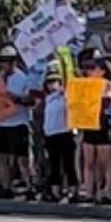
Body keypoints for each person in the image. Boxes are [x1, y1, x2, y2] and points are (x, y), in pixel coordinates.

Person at [79, 56, 111, 204]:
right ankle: (90, 193)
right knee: (89, 161)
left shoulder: (110, 85)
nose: (91, 71)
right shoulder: (85, 85)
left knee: (108, 161)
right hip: (89, 125)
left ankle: (110, 193)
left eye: (94, 68)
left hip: (105, 125)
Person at [0, 46, 38, 197]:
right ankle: (5, 186)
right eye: (3, 61)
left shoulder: (23, 78)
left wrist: (16, 99)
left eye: (9, 61)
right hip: (1, 123)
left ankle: (29, 185)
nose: (6, 64)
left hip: (18, 122)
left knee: (22, 158)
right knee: (2, 157)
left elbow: (31, 100)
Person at [40, 69, 78, 201]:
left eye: (55, 81)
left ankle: (73, 190)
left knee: (69, 164)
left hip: (65, 133)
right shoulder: (48, 99)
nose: (52, 85)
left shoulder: (65, 97)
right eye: (49, 82)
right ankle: (56, 191)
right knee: (54, 164)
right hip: (51, 134)